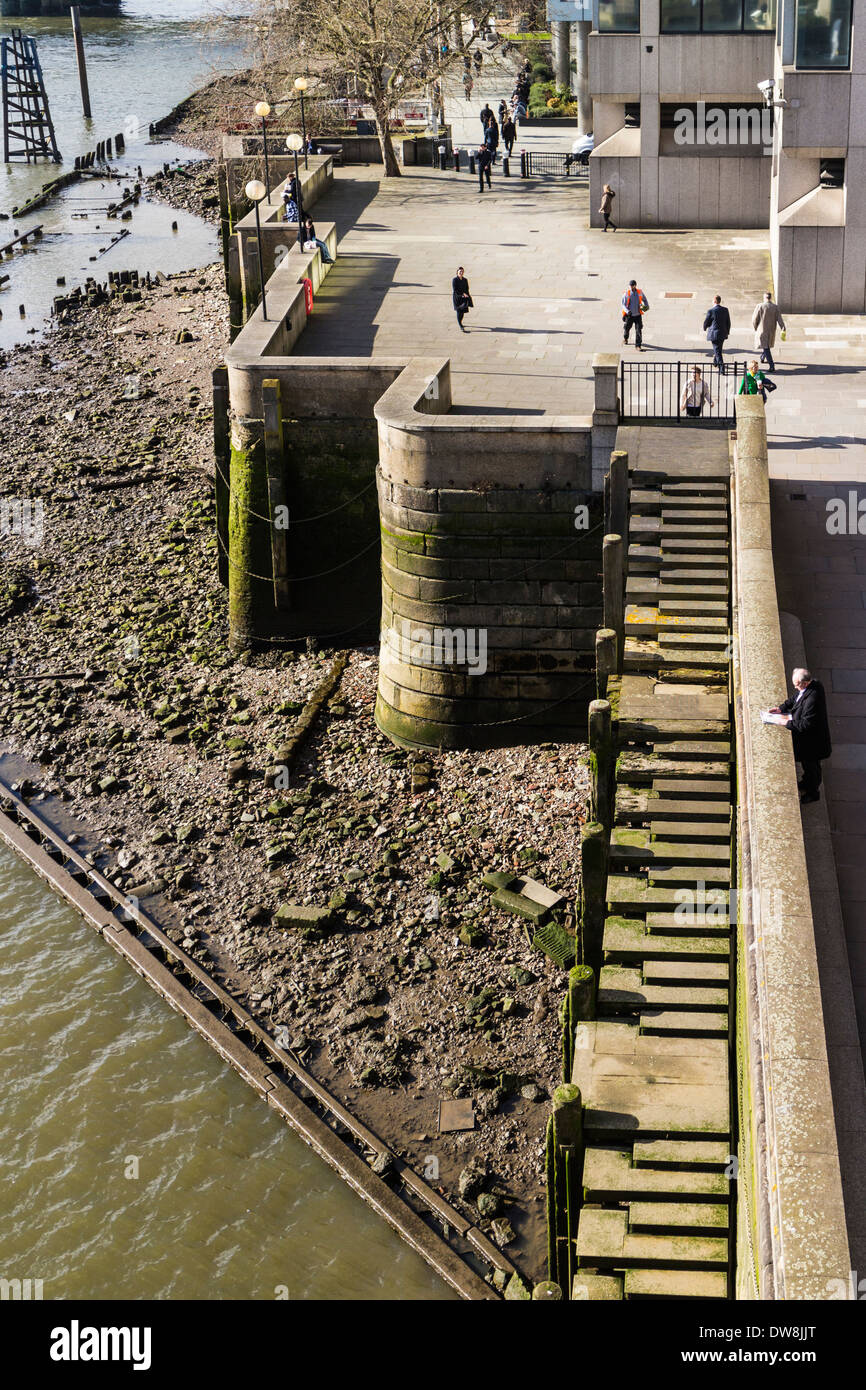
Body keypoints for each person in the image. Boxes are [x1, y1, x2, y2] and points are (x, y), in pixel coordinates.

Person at [768, 668, 831, 804]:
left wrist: (787, 722)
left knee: (812, 768)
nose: (795, 687)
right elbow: (797, 697)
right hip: (808, 741)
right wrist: (782, 708)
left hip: (813, 743)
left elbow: (805, 724)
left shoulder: (812, 699)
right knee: (807, 766)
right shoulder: (812, 685)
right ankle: (805, 783)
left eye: (797, 684)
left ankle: (813, 793)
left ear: (806, 683)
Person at [752, 290, 786, 372]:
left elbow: (754, 319)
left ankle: (771, 365)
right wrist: (783, 328)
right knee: (766, 346)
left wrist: (755, 327)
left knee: (766, 347)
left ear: (764, 298)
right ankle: (762, 357)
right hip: (771, 331)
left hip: (762, 330)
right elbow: (780, 319)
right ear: (770, 298)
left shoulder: (760, 306)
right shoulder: (775, 307)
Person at [702, 294, 731, 371]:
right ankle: (715, 362)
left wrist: (705, 327)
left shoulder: (711, 311)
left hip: (714, 334)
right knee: (718, 349)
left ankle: (722, 368)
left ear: (714, 301)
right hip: (722, 333)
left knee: (718, 351)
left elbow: (707, 321)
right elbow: (728, 322)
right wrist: (727, 331)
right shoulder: (725, 310)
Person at [622, 279, 649, 350]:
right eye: (630, 285)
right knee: (627, 328)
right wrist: (627, 311)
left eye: (632, 285)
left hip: (638, 315)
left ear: (635, 285)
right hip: (630, 315)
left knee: (638, 330)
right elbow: (623, 305)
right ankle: (625, 338)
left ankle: (638, 345)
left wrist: (646, 306)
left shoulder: (640, 292)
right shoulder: (626, 294)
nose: (631, 287)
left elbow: (645, 299)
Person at [452, 266, 473, 331]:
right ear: (457, 272)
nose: (461, 272)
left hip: (464, 298)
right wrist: (462, 294)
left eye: (462, 271)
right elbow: (455, 290)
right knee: (459, 311)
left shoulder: (465, 280)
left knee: (463, 311)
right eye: (460, 271)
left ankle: (460, 322)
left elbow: (467, 288)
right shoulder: (455, 280)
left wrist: (467, 295)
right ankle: (460, 324)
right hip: (457, 298)